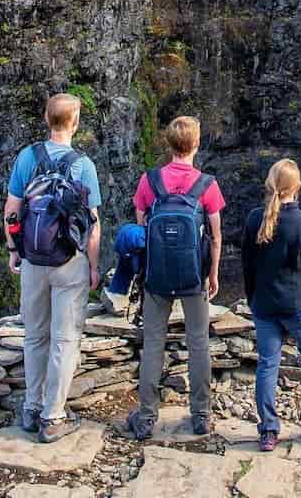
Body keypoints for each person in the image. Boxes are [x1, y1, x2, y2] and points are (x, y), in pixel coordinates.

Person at [4, 92, 101, 443]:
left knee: (34, 335)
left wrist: (14, 249)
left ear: (47, 119)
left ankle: (31, 408)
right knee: (65, 338)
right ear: (75, 123)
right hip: (69, 260)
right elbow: (92, 224)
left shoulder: (27, 157)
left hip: (33, 258)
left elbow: (12, 210)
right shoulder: (83, 165)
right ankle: (53, 416)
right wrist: (92, 267)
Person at [126, 116, 224, 438]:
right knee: (198, 342)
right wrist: (213, 274)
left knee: (153, 343)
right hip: (193, 275)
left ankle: (146, 417)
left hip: (156, 276)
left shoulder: (149, 180)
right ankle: (201, 415)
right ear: (196, 144)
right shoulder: (207, 185)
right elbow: (215, 235)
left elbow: (142, 229)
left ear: (168, 144)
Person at [241, 158, 301, 452]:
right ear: (297, 187)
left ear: (269, 185)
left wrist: (253, 299)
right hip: (299, 304)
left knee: (267, 365)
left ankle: (268, 431)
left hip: (265, 304)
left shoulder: (254, 219)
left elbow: (247, 266)